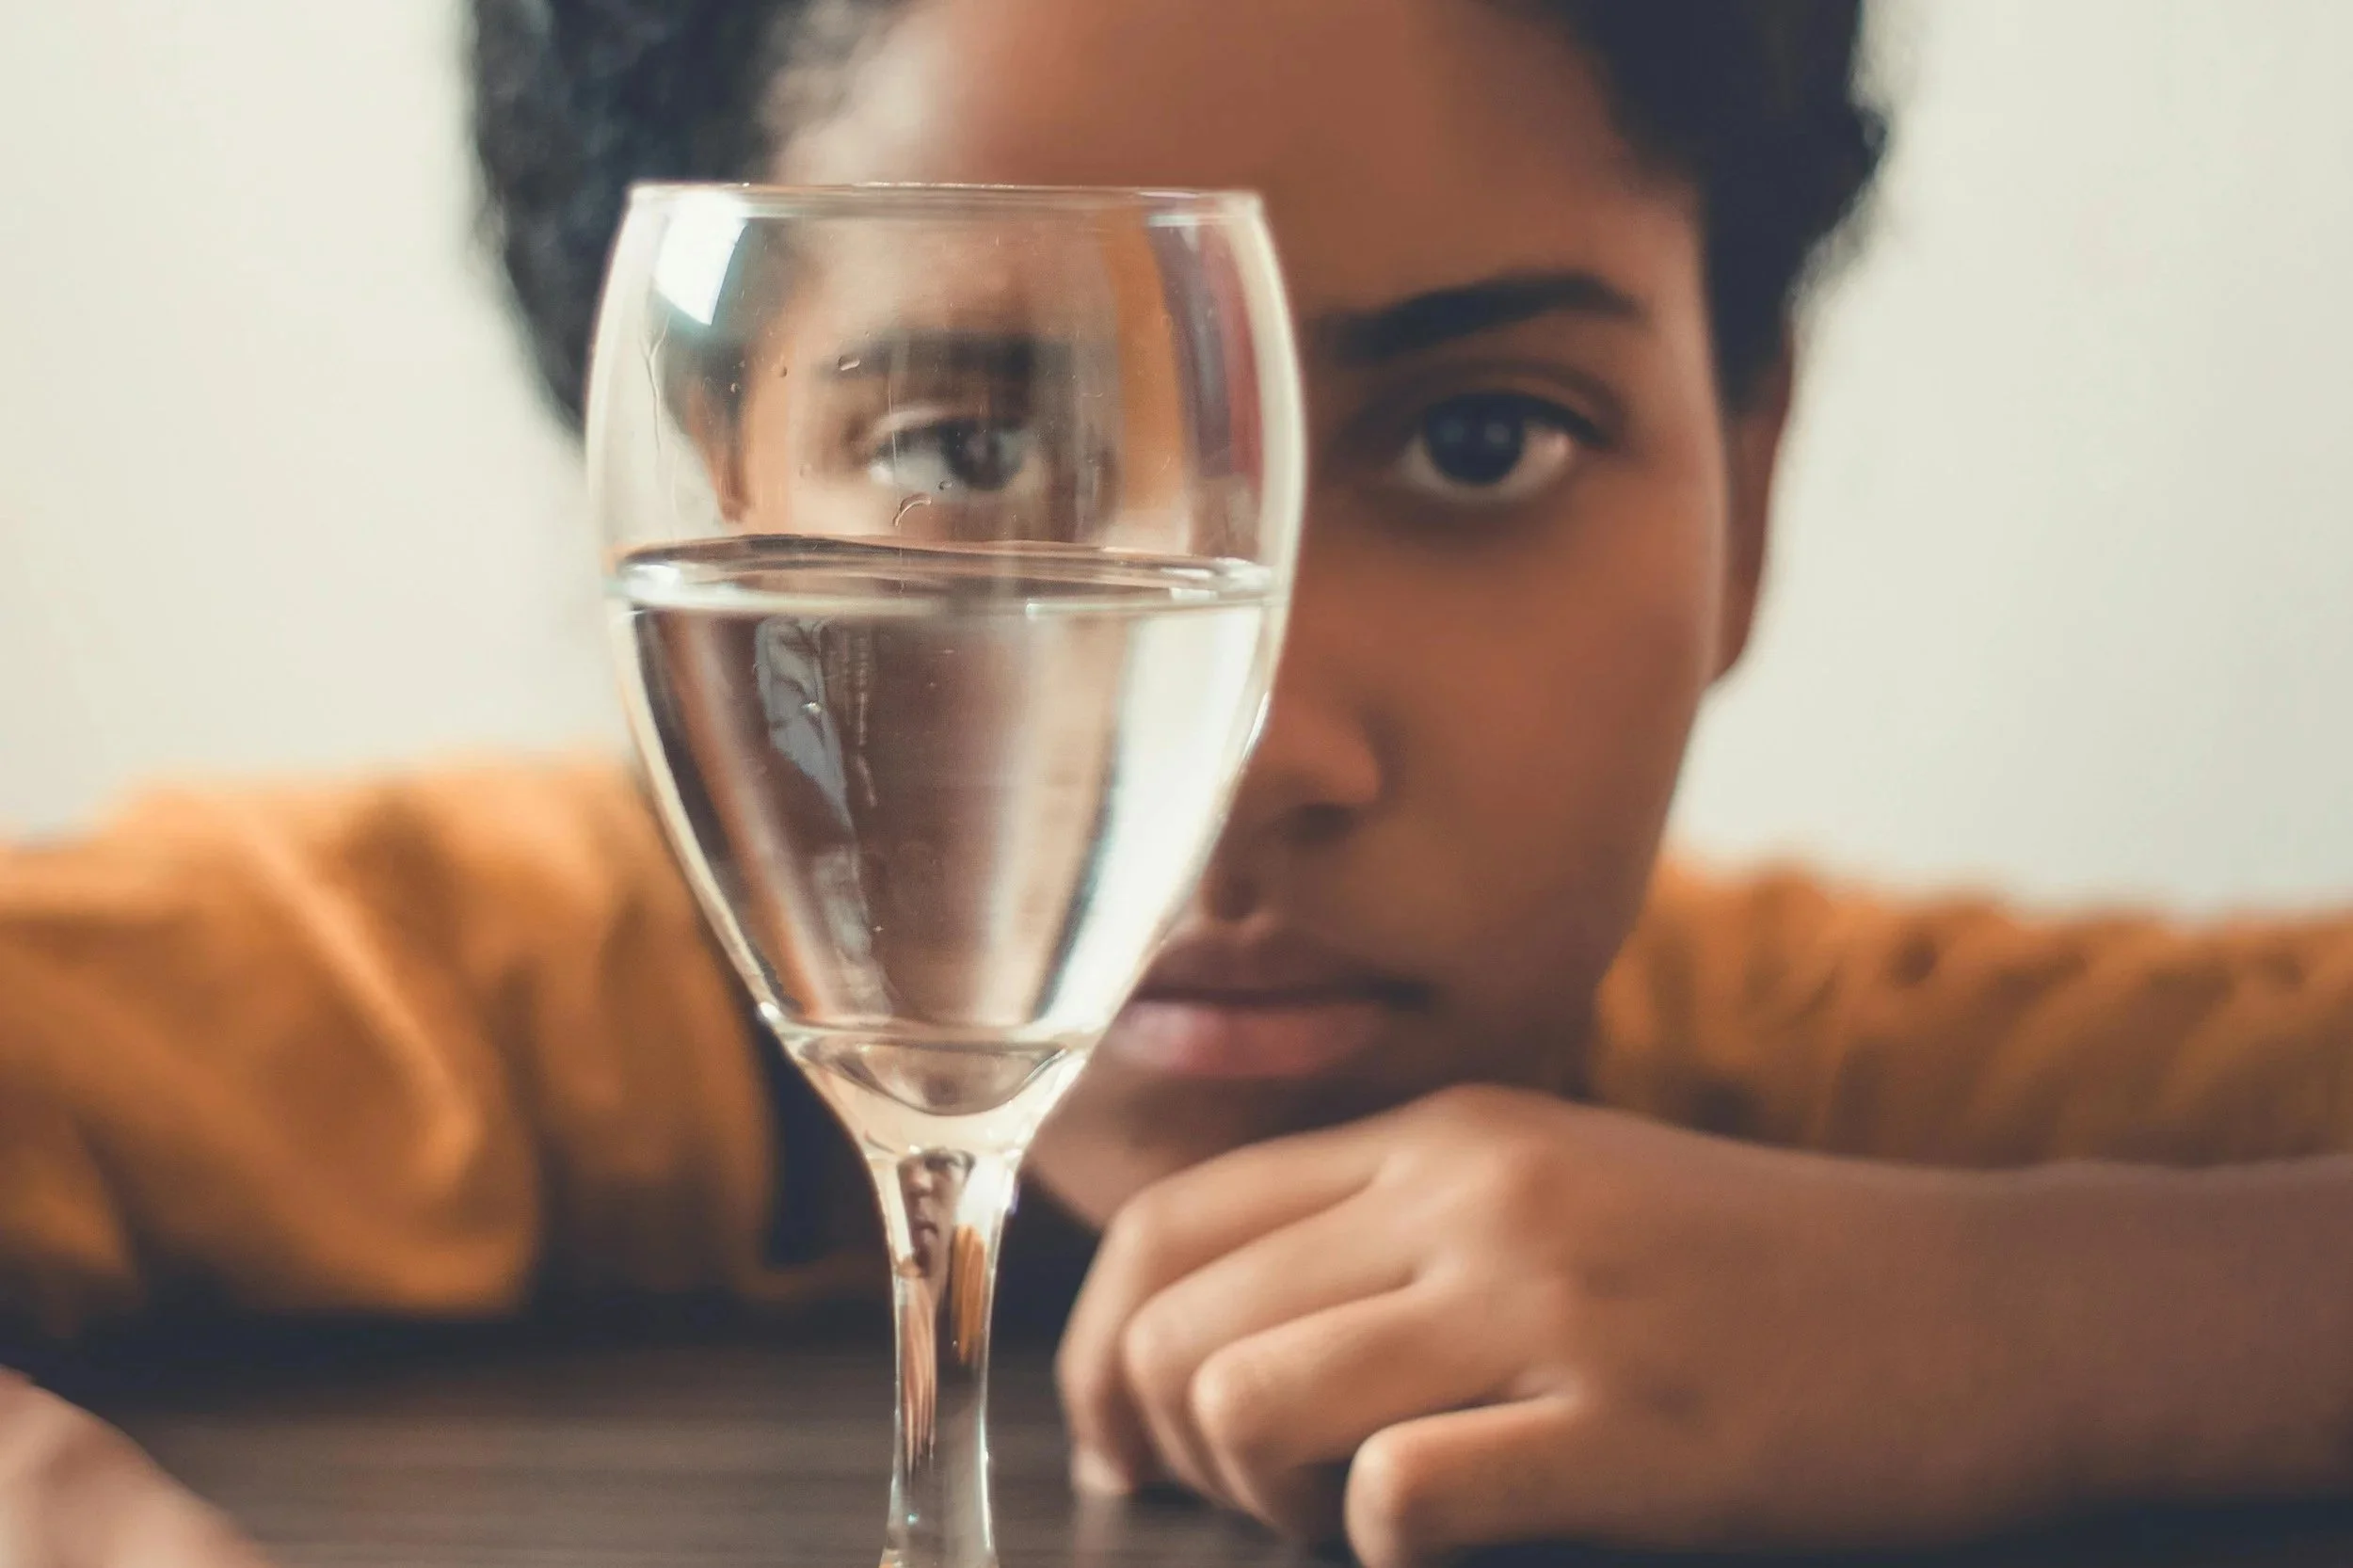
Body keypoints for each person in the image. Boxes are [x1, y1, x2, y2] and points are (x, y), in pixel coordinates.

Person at [6, 1, 2353, 1561]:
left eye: (1476, 438)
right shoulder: (457, 987)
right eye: (967, 445)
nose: (1261, 749)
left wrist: (2017, 1324)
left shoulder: (1819, 1064)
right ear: (666, 459)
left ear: (1754, 472)